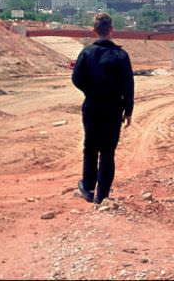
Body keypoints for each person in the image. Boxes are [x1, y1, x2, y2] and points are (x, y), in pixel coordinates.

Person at [71, 12, 134, 204]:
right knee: (108, 152)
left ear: (94, 30)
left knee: (90, 147)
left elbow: (76, 78)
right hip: (113, 109)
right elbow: (128, 86)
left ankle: (88, 188)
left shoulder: (87, 53)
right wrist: (128, 111)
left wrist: (91, 91)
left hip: (92, 107)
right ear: (111, 30)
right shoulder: (121, 55)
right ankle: (102, 195)